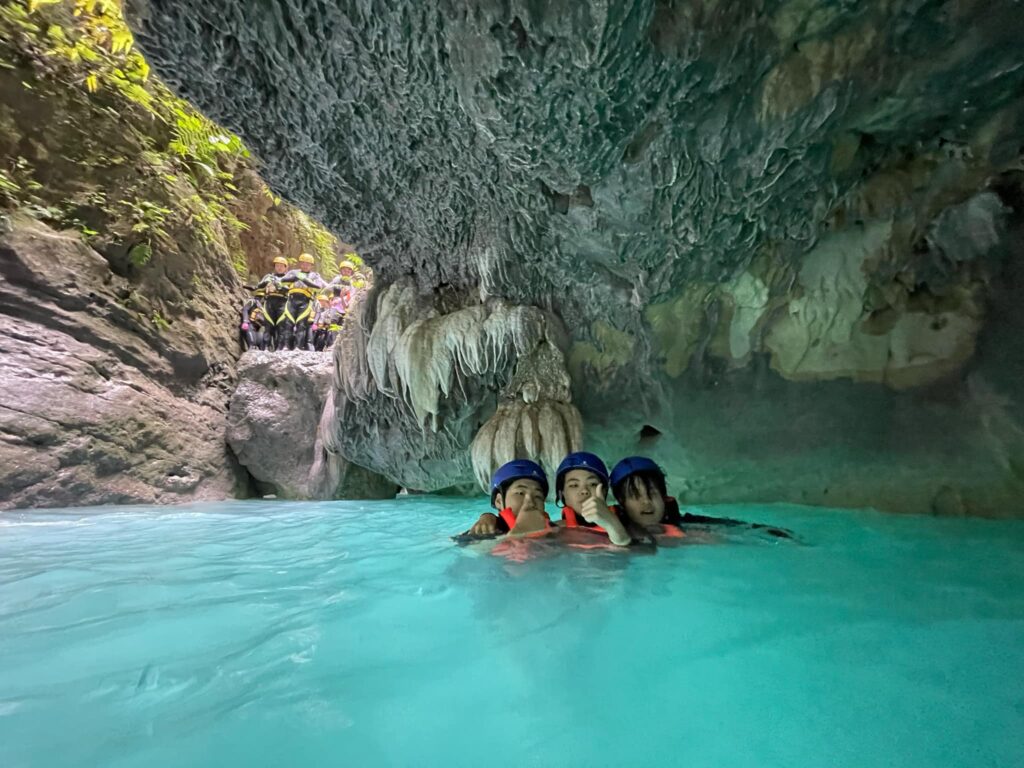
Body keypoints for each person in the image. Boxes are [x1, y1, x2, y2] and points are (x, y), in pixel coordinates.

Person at [609, 457, 793, 542]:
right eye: (635, 496)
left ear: (664, 497)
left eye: (652, 493)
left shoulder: (690, 525)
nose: (646, 502)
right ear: (621, 502)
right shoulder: (611, 531)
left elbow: (740, 530)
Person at [279, 252, 326, 350]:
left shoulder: (315, 275)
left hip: (305, 301)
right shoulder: (293, 272)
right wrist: (295, 278)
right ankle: (286, 346)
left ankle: (298, 346)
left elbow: (318, 287)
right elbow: (282, 281)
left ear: (311, 266)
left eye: (308, 264)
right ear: (300, 263)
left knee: (301, 324)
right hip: (292, 300)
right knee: (288, 323)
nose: (305, 266)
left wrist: (305, 280)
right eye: (303, 263)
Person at [257, 256, 289, 350]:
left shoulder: (289, 278)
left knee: (281, 326)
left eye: (281, 266)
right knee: (268, 325)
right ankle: (266, 346)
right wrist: (265, 282)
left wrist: (281, 287)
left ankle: (280, 347)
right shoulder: (269, 277)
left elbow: (291, 289)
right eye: (277, 265)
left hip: (283, 302)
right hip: (269, 302)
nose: (279, 267)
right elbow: (259, 286)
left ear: (285, 267)